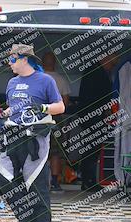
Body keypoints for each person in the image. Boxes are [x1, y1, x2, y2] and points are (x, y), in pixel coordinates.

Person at [0, 44, 65, 222]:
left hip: (36, 139)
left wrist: (43, 107)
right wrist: (2, 114)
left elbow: (60, 107)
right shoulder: (12, 83)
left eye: (12, 59)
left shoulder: (45, 81)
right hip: (13, 137)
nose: (9, 63)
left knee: (37, 185)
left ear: (24, 59)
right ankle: (25, 216)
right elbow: (13, 108)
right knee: (3, 178)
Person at [78, 54, 119, 191]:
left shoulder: (94, 71)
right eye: (112, 64)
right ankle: (88, 180)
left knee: (91, 148)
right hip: (93, 117)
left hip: (90, 116)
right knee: (92, 149)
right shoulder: (97, 73)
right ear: (105, 60)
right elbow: (101, 95)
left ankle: (88, 180)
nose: (111, 68)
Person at [42, 52, 70, 192]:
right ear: (55, 63)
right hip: (56, 119)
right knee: (55, 152)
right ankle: (54, 182)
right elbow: (65, 103)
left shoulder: (36, 79)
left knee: (38, 150)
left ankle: (39, 181)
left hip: (38, 119)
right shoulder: (61, 79)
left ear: (41, 63)